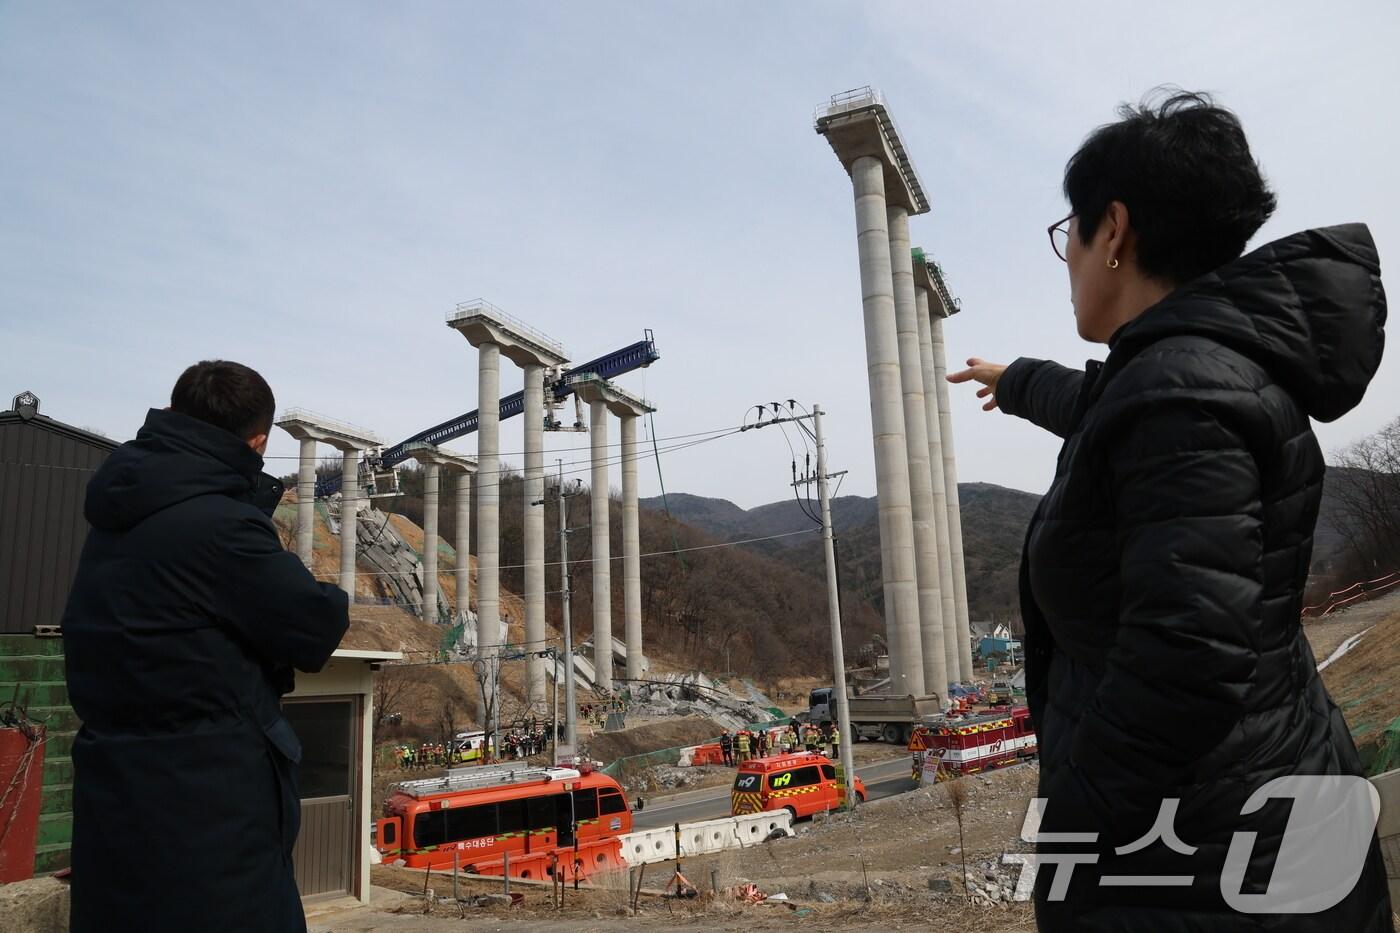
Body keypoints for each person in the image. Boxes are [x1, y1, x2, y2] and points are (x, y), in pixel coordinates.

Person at [948, 90, 1392, 931]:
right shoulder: (1187, 373)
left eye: (1068, 234)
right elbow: (1104, 413)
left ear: (1112, 231)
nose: (1068, 256)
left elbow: (1186, 656)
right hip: (1241, 812)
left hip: (1215, 861)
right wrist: (1016, 382)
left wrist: (1073, 818)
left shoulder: (1179, 395)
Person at [63, 360, 349, 933]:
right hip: (211, 813)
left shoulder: (116, 516)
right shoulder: (223, 529)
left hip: (112, 795)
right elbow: (316, 623)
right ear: (259, 441)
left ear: (170, 414)